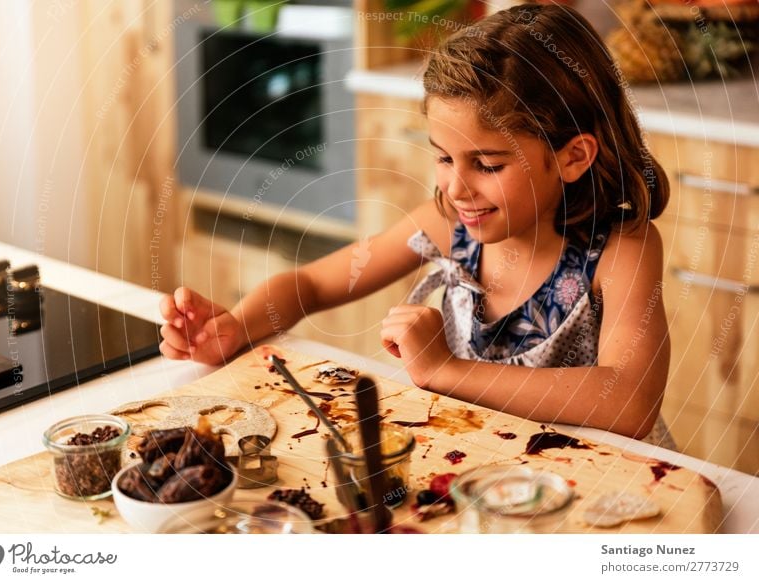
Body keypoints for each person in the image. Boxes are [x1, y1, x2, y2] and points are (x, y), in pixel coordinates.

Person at [159, 4, 673, 446]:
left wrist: (446, 369)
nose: (456, 188)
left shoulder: (621, 249)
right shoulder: (450, 225)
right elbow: (313, 283)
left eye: (488, 165)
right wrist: (235, 328)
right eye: (444, 158)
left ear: (573, 157)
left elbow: (630, 401)